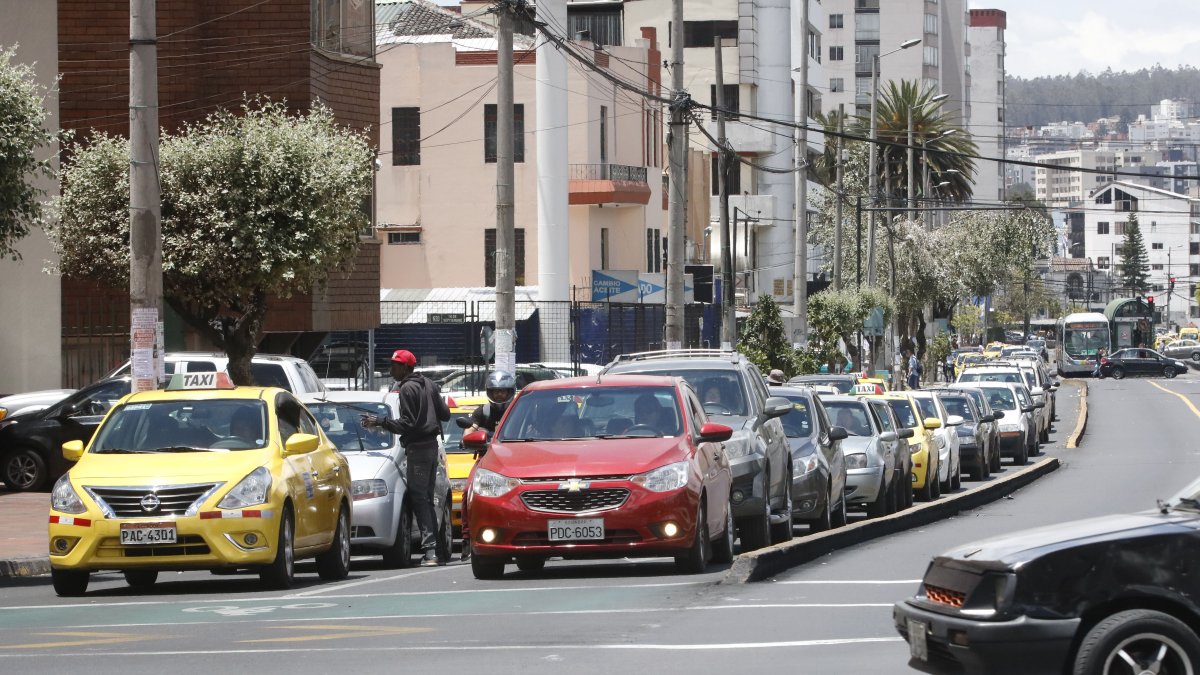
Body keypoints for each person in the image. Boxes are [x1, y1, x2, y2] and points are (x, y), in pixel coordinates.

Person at [361, 349, 451, 567]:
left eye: (395, 365)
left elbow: (408, 424)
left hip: (418, 450)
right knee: (427, 500)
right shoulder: (428, 384)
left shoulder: (407, 388)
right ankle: (437, 549)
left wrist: (381, 422)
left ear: (406, 367)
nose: (391, 368)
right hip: (431, 448)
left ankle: (430, 553)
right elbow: (446, 414)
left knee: (420, 500)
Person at [468, 371, 516, 437]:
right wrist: (465, 440)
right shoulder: (482, 411)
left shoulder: (518, 411)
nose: (499, 394)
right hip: (486, 447)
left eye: (503, 391)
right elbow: (470, 430)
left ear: (509, 392)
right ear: (490, 392)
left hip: (513, 446)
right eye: (496, 391)